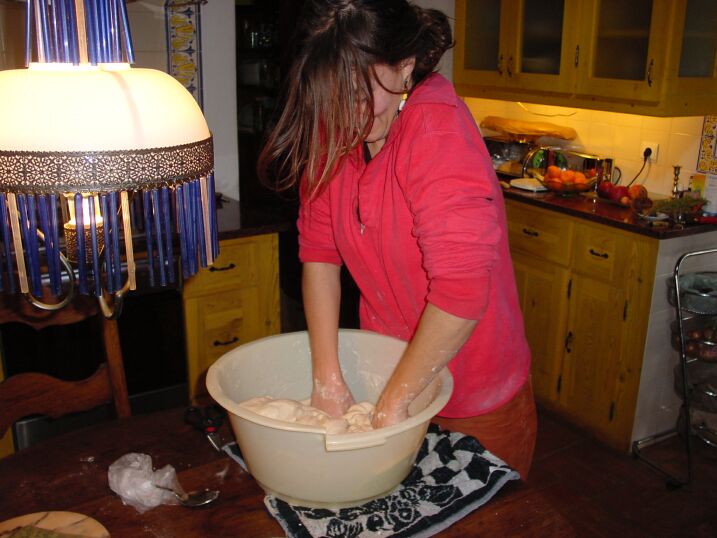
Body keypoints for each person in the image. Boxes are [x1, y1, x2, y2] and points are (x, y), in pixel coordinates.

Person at [258, 0, 536, 479]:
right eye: (330, 95)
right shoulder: (335, 128)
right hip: (384, 370)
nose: (344, 115)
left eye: (358, 93)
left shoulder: (436, 131)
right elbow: (320, 257)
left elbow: (461, 289)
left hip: (475, 391)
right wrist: (328, 380)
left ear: (405, 65)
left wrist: (393, 405)